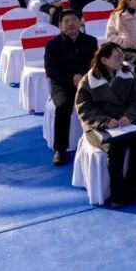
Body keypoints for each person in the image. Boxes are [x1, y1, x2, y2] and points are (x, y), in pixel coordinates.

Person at [74, 42, 136, 207]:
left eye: (122, 55)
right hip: (97, 126)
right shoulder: (89, 80)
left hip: (125, 122)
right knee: (115, 148)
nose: (122, 58)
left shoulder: (129, 75)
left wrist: (129, 116)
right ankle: (117, 193)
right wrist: (105, 121)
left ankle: (134, 188)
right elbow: (83, 108)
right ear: (104, 60)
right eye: (117, 56)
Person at [44, 10, 98, 165]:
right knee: (63, 106)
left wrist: (82, 75)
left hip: (86, 81)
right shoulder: (52, 45)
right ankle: (59, 149)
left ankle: (101, 138)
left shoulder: (90, 41)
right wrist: (71, 78)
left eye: (74, 20)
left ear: (80, 22)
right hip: (62, 84)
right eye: (66, 21)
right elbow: (52, 70)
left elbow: (95, 64)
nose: (71, 24)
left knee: (102, 100)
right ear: (60, 25)